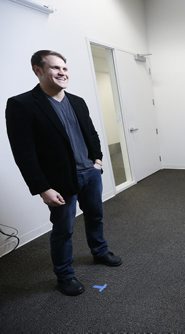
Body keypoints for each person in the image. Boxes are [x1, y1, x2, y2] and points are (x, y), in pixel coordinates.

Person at [5, 50, 122, 296]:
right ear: (38, 70)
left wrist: (97, 160)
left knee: (95, 217)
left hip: (90, 174)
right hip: (58, 182)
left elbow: (91, 133)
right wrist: (42, 188)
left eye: (65, 68)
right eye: (55, 68)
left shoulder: (77, 101)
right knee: (63, 230)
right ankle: (65, 276)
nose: (62, 72)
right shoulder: (21, 105)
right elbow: (24, 153)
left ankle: (100, 252)